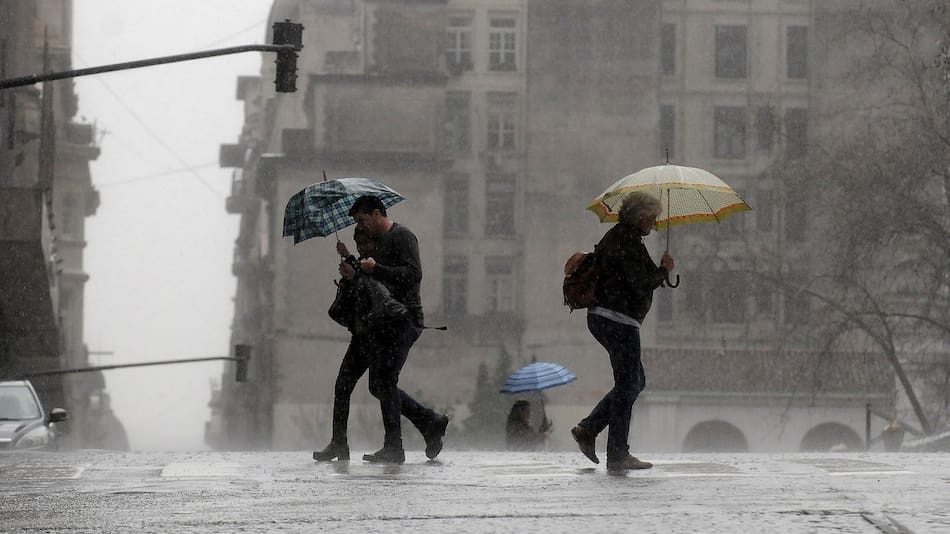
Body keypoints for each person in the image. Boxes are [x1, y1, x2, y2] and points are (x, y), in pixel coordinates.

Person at [570, 191, 673, 471]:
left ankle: (589, 429)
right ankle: (616, 453)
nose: (655, 223)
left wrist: (661, 272)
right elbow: (640, 283)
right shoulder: (625, 240)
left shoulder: (625, 238)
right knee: (629, 384)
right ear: (640, 216)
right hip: (617, 320)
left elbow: (640, 278)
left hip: (612, 319)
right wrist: (663, 271)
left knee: (634, 382)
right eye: (652, 217)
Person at [348, 195, 449, 464]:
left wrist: (376, 268)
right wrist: (353, 268)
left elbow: (413, 274)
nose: (361, 226)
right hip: (385, 322)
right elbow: (375, 284)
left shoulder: (403, 236)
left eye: (363, 220)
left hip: (405, 319)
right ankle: (429, 422)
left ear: (378, 213)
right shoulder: (378, 243)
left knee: (384, 382)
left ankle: (396, 446)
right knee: (378, 384)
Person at [314, 228, 410, 462]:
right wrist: (347, 269)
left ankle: (394, 445)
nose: (360, 249)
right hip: (361, 337)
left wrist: (353, 275)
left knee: (383, 387)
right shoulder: (360, 265)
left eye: (363, 244)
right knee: (343, 387)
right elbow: (357, 293)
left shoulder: (378, 264)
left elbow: (375, 292)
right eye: (357, 245)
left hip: (378, 336)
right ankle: (339, 442)